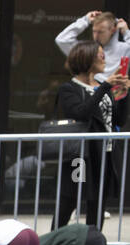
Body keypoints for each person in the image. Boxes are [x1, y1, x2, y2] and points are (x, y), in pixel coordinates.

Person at [53, 41, 130, 229]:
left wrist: (125, 94)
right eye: (101, 55)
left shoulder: (103, 86)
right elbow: (81, 113)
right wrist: (104, 88)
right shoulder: (69, 89)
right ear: (87, 57)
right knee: (68, 201)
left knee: (97, 204)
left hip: (104, 154)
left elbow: (118, 120)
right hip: (80, 156)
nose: (105, 59)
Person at [56, 10, 130, 82]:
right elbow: (62, 40)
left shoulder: (125, 49)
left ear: (113, 30)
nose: (96, 36)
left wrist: (126, 32)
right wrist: (85, 20)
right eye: (94, 31)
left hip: (115, 93)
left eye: (101, 32)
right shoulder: (86, 50)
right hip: (87, 91)